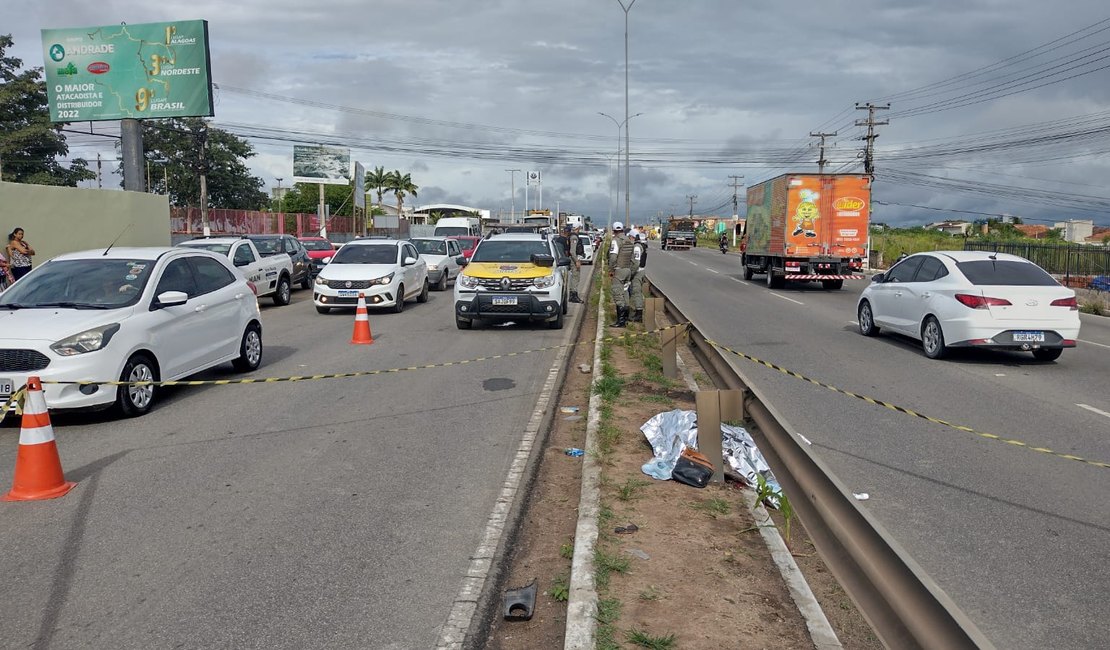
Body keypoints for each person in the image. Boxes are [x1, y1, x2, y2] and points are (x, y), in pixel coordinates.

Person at [607, 221, 636, 327]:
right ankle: (626, 318)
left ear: (614, 231)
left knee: (618, 295)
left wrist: (611, 269)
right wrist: (630, 271)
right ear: (622, 230)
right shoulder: (629, 241)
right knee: (625, 294)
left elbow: (613, 257)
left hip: (619, 271)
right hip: (628, 270)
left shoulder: (616, 241)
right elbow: (633, 259)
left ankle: (621, 321)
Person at [629, 232, 648, 322]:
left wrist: (631, 273)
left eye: (630, 237)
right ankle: (637, 312)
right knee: (636, 292)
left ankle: (639, 314)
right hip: (641, 270)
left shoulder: (637, 247)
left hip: (637, 271)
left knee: (636, 291)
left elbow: (636, 263)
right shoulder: (642, 246)